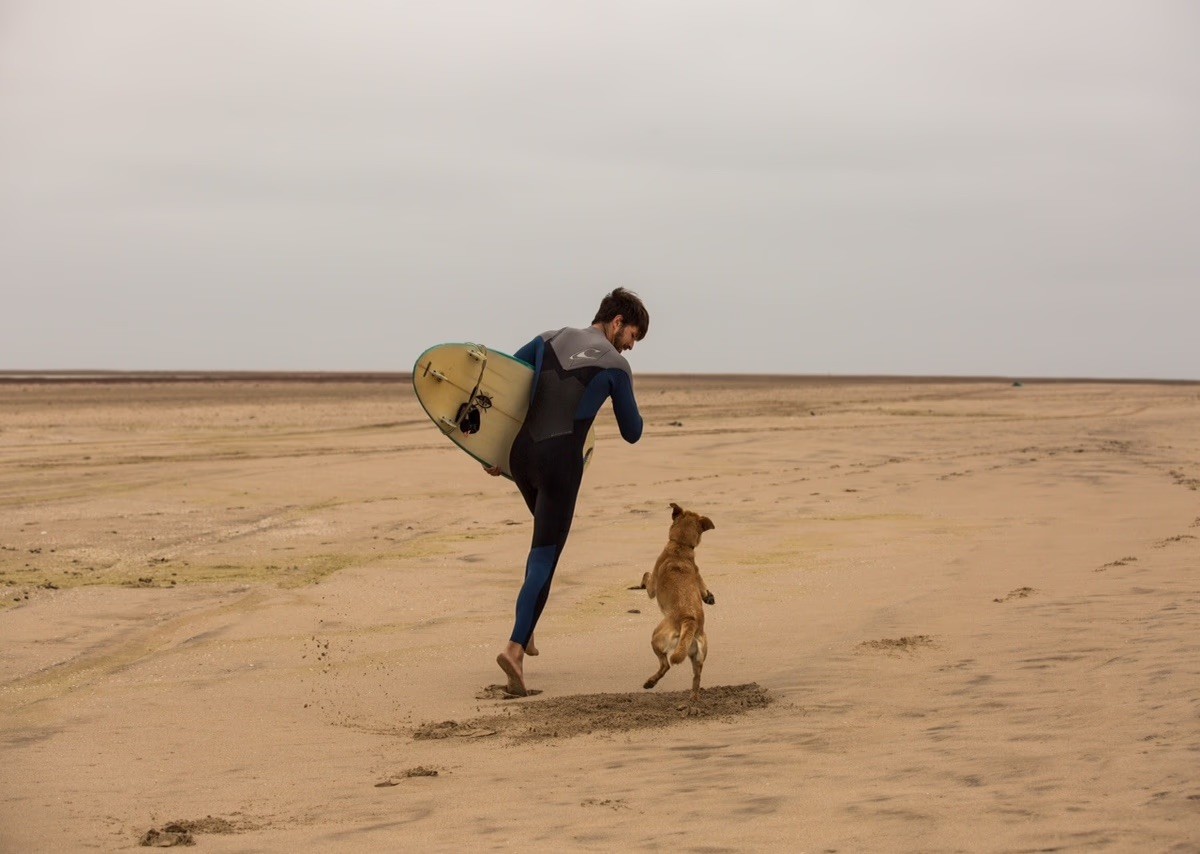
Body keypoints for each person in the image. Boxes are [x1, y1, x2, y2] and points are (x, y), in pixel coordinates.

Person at [486, 288, 648, 695]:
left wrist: (492, 451)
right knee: (546, 554)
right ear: (616, 323)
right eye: (633, 335)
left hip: (521, 456)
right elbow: (632, 433)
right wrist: (624, 389)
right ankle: (515, 649)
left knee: (544, 543)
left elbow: (506, 381)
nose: (630, 346)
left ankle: (529, 628)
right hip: (561, 466)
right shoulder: (614, 366)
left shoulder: (549, 338)